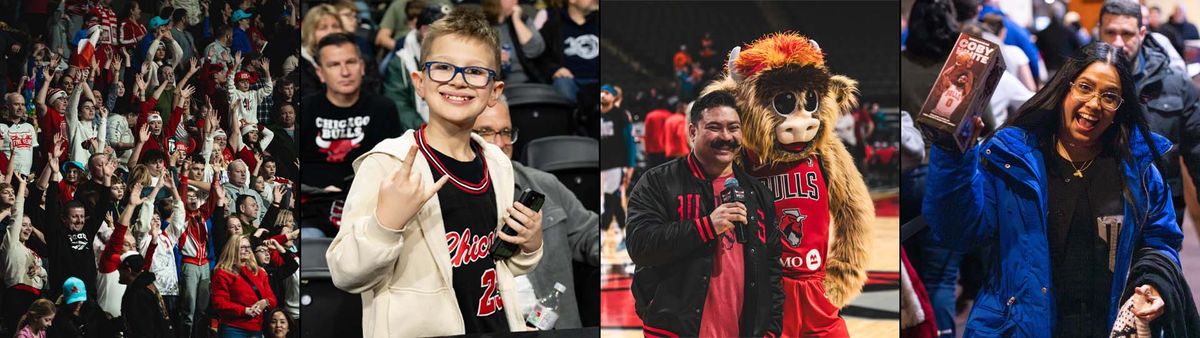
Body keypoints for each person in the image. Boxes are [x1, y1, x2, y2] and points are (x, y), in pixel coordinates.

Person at [923, 42, 1182, 336]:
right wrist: (952, 156)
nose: (1094, 103)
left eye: (1110, 97)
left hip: (1107, 327)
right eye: (1085, 87)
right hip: (1019, 326)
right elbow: (958, 231)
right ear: (1065, 88)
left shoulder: (1138, 167)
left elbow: (1160, 239)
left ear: (1119, 109)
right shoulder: (1013, 158)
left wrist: (1155, 284)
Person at [325, 7, 543, 336]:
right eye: (443, 68)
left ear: (494, 93)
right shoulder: (387, 163)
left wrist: (530, 245)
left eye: (475, 72)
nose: (458, 80)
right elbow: (345, 272)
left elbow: (501, 266)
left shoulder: (496, 162)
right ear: (420, 82)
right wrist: (386, 224)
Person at [625, 90, 781, 337]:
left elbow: (772, 266)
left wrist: (771, 329)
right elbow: (640, 245)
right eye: (714, 127)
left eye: (733, 127)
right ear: (692, 132)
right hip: (675, 330)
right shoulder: (657, 182)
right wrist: (707, 226)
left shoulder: (757, 192)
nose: (726, 136)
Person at [473, 97, 599, 328]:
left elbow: (590, 234)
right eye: (486, 132)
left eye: (506, 132)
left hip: (555, 327)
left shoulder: (543, 184)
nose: (500, 143)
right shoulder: (452, 196)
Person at [1096, 0, 1200, 229]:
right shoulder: (1081, 82)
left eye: (1127, 33)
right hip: (1099, 207)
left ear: (1142, 33)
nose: (1118, 43)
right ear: (1099, 31)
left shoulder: (1174, 84)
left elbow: (1197, 149)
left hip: (1159, 211)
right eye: (1110, 32)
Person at [300, 32, 401, 237]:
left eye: (351, 62)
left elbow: (392, 167)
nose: (345, 72)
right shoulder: (305, 109)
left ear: (362, 66)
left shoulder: (383, 108)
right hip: (313, 208)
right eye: (334, 65)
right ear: (320, 73)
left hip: (369, 207)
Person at [382, 3, 449, 129]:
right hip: (417, 133)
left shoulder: (459, 58)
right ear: (424, 30)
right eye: (443, 32)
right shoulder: (400, 62)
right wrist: (429, 132)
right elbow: (400, 107)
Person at [211, 234, 276, 338]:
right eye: (242, 247)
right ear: (233, 249)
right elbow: (220, 303)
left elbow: (272, 299)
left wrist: (265, 302)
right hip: (233, 328)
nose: (247, 250)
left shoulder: (259, 272)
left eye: (248, 247)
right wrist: (245, 310)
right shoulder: (222, 273)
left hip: (257, 329)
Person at [536, 0, 599, 103]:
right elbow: (540, 55)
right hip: (569, 81)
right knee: (563, 87)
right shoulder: (554, 23)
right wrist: (554, 69)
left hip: (596, 80)